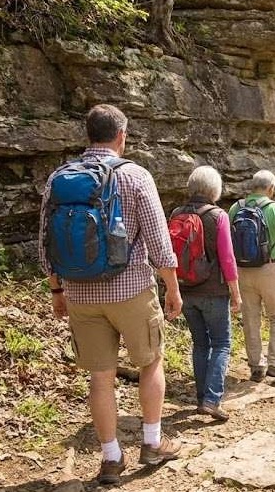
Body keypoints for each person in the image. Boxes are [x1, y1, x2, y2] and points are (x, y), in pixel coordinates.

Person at [39, 104, 182, 485]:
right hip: (131, 289)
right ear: (122, 135)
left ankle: (111, 458)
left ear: (88, 135)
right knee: (151, 362)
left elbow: (46, 241)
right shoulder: (135, 175)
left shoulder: (59, 178)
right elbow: (159, 241)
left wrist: (56, 290)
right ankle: (152, 442)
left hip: (80, 294)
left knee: (100, 378)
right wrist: (172, 287)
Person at [172, 166, 242, 421]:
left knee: (200, 344)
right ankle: (212, 400)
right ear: (215, 190)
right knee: (221, 344)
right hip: (213, 292)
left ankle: (202, 397)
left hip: (186, 290)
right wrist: (236, 292)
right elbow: (227, 257)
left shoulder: (177, 213)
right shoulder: (218, 216)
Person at [228, 170, 275, 382]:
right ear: (271, 188)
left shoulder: (235, 208)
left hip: (242, 270)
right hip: (269, 269)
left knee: (250, 319)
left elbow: (228, 244)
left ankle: (256, 366)